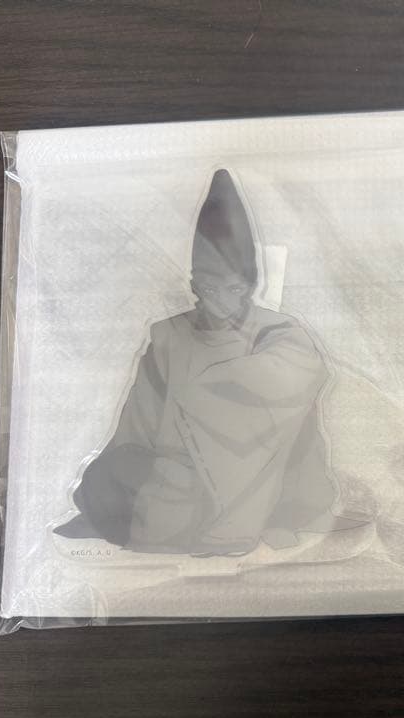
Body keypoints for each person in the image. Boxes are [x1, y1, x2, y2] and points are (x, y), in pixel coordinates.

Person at [55, 169, 355, 555]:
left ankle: (255, 518)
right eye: (210, 288)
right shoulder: (169, 336)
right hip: (174, 473)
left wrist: (210, 392)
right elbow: (138, 425)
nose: (221, 301)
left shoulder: (277, 331)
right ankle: (162, 510)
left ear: (250, 286)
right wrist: (131, 470)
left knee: (197, 492)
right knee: (108, 478)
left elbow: (294, 376)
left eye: (234, 288)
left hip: (255, 476)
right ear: (195, 285)